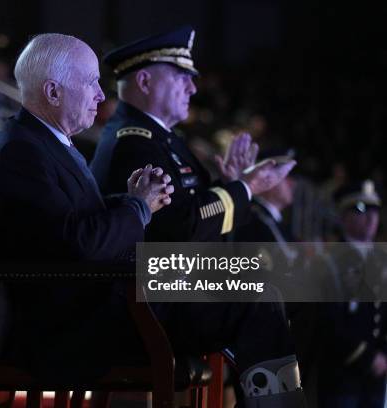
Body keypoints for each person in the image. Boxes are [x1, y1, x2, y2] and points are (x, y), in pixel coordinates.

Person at [90, 26, 306, 407]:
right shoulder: (134, 142)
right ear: (143, 80)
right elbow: (180, 228)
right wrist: (246, 188)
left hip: (167, 283)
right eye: (182, 77)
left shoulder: (164, 141)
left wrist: (232, 182)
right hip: (146, 296)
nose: (192, 88)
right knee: (258, 295)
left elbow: (201, 220)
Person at [0, 33, 173, 382]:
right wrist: (137, 208)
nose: (102, 95)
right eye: (91, 83)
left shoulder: (44, 142)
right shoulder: (22, 151)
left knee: (245, 284)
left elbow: (73, 222)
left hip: (102, 302)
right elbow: (76, 245)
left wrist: (132, 199)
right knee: (244, 293)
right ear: (53, 92)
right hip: (76, 324)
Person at [313, 180, 387, 408]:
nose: (371, 218)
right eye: (362, 210)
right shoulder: (330, 261)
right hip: (342, 373)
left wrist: (384, 352)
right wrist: (366, 357)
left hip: (377, 375)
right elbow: (328, 319)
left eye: (375, 210)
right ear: (344, 215)